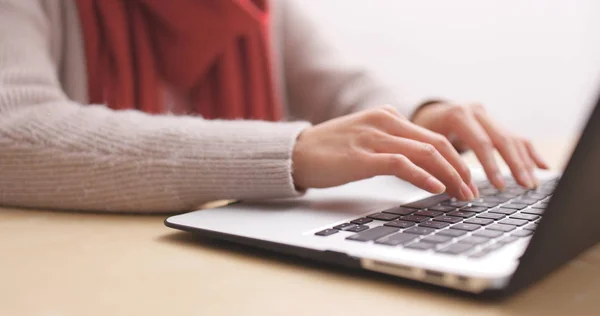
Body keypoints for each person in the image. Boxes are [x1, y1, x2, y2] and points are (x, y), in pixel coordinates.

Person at [0, 0, 548, 213]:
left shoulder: (255, 7)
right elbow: (12, 129)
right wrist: (291, 151)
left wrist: (421, 115)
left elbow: (340, 88)